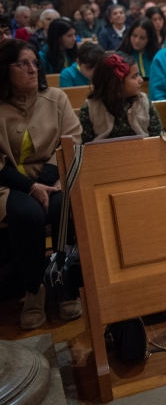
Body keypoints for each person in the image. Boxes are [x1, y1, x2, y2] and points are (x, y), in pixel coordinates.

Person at [0, 39, 82, 329]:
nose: (32, 69)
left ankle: (65, 284)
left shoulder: (55, 98)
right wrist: (30, 186)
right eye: (23, 64)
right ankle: (34, 290)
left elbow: (73, 141)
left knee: (65, 205)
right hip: (9, 184)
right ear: (5, 70)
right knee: (26, 215)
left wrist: (44, 182)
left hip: (54, 177)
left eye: (35, 62)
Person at [78, 53, 162, 143]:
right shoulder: (90, 108)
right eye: (135, 76)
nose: (141, 80)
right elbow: (83, 146)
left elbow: (157, 138)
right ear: (116, 83)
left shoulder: (144, 103)